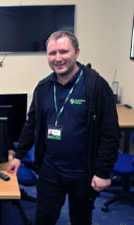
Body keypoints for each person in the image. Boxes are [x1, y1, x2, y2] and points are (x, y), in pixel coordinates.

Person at [7, 31, 120, 225]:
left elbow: (110, 133)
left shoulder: (96, 86)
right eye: (52, 53)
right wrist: (18, 155)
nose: (57, 58)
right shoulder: (43, 88)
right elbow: (31, 123)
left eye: (63, 52)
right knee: (44, 219)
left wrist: (103, 172)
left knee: (81, 220)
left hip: (83, 174)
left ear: (77, 52)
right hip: (50, 170)